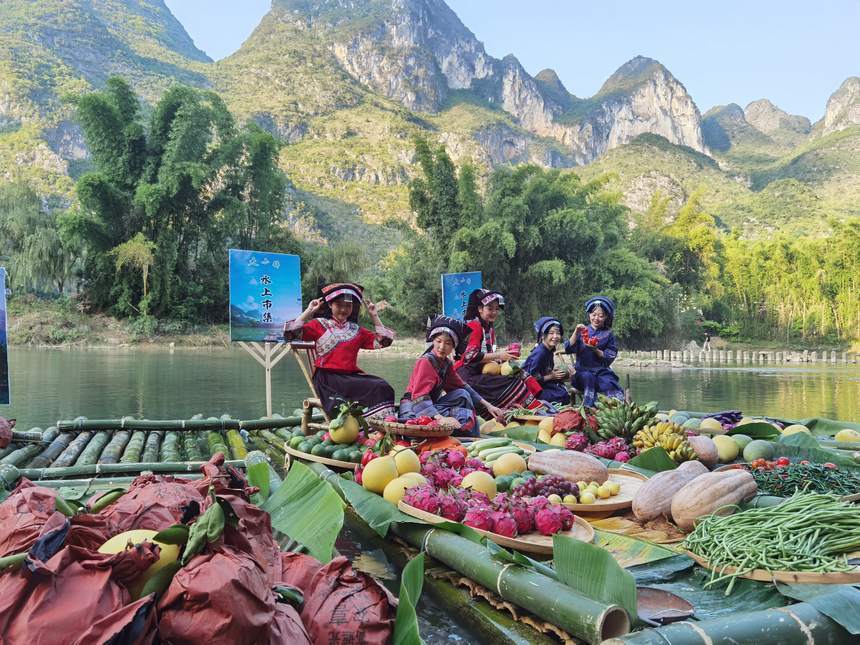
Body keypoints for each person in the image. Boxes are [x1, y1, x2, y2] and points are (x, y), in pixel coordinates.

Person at [283, 282, 396, 419]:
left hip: (350, 378)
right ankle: (365, 426)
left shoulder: (356, 330)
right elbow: (291, 333)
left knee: (382, 386)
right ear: (330, 305)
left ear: (352, 307)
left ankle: (376, 427)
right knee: (354, 397)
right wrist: (309, 311)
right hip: (327, 380)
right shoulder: (319, 324)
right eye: (339, 305)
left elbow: (383, 342)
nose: (343, 309)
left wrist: (374, 315)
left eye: (348, 306)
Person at [400, 315, 506, 436]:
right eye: (438, 341)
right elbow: (419, 397)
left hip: (430, 409)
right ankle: (469, 435)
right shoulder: (425, 362)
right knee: (462, 409)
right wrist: (441, 419)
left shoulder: (446, 363)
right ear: (433, 341)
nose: (442, 347)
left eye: (448, 343)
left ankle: (469, 435)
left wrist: (489, 406)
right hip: (413, 411)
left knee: (462, 394)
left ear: (453, 346)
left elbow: (462, 386)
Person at [454, 289, 542, 410]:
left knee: (518, 373)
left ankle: (534, 406)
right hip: (466, 375)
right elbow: (470, 356)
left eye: (496, 309)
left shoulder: (489, 329)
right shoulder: (475, 326)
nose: (494, 312)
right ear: (480, 309)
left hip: (481, 370)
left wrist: (505, 356)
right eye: (490, 308)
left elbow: (487, 354)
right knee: (511, 383)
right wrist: (499, 356)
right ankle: (525, 411)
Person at [564, 296, 624, 408]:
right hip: (581, 372)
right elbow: (568, 348)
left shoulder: (609, 334)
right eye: (593, 315)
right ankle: (588, 407)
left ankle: (615, 409)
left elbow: (609, 357)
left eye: (601, 316)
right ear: (589, 315)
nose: (596, 318)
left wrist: (595, 349)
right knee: (588, 377)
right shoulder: (582, 331)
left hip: (601, 372)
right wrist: (576, 332)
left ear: (606, 317)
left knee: (608, 383)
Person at [522, 317, 571, 405]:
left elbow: (543, 370)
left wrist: (552, 372)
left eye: (558, 333)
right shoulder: (540, 353)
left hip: (542, 384)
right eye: (551, 333)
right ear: (543, 335)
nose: (555, 336)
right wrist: (551, 376)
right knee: (562, 395)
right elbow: (531, 377)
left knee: (563, 391)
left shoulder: (548, 350)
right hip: (531, 390)